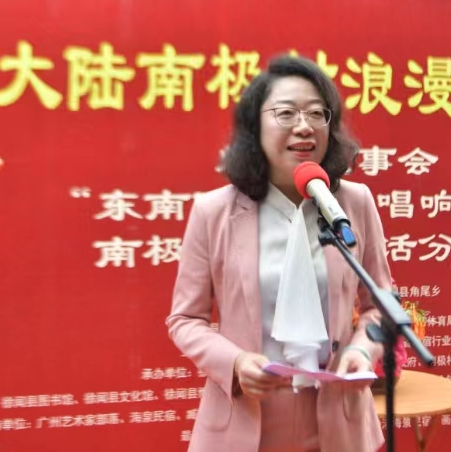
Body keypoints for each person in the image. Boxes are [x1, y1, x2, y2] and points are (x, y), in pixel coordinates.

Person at [167, 54, 393, 452]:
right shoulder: (214, 211)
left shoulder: (353, 203)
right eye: (286, 113)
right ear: (255, 126)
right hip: (246, 423)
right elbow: (185, 320)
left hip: (339, 424)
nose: (304, 126)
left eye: (316, 113)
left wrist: (362, 349)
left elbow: (381, 304)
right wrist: (235, 363)